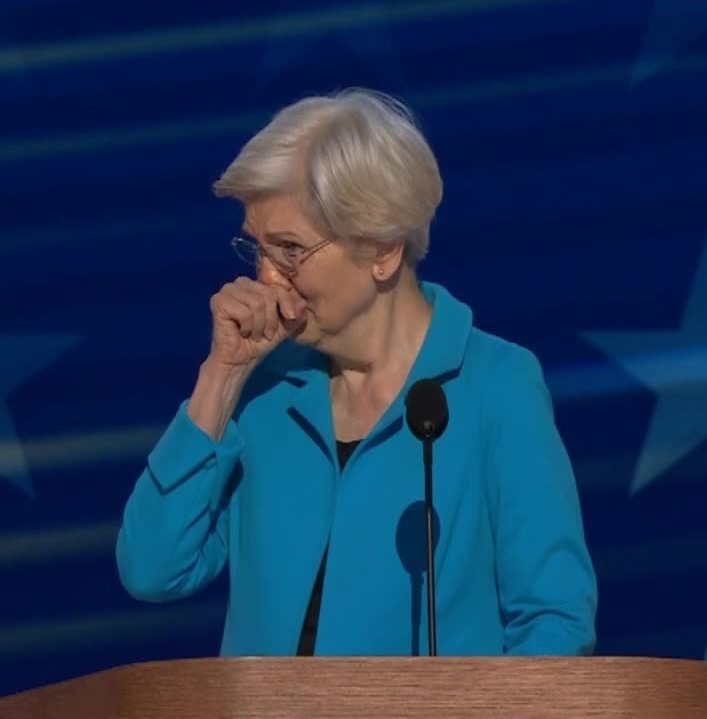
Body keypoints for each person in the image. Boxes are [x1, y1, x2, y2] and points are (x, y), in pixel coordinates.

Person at [115, 88, 597, 656]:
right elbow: (153, 569)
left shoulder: (496, 385)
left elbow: (555, 622)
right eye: (257, 250)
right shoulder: (263, 390)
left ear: (382, 251)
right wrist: (220, 378)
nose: (267, 280)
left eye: (290, 250)